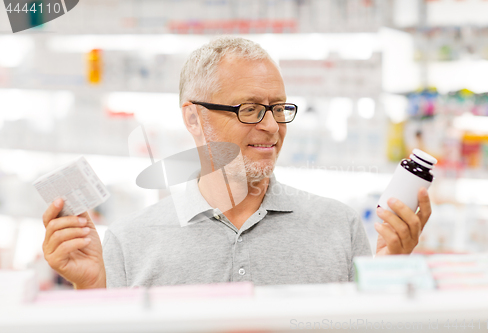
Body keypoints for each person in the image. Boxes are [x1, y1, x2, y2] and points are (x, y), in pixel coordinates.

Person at [41, 37, 432, 289]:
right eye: (250, 109)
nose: (272, 127)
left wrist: (390, 269)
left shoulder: (339, 226)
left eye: (279, 108)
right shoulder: (129, 241)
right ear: (194, 119)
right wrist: (91, 289)